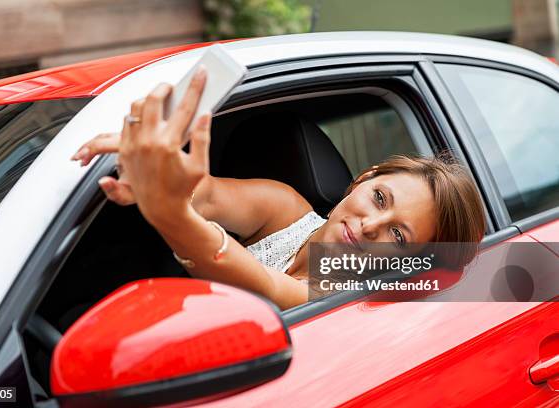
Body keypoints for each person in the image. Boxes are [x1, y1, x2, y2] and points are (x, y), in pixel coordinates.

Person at [72, 66, 485, 310]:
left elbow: (262, 283)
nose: (370, 225)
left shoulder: (342, 296)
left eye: (398, 235)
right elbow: (209, 195)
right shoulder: (285, 206)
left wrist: (167, 209)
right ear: (364, 178)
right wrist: (152, 173)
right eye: (380, 198)